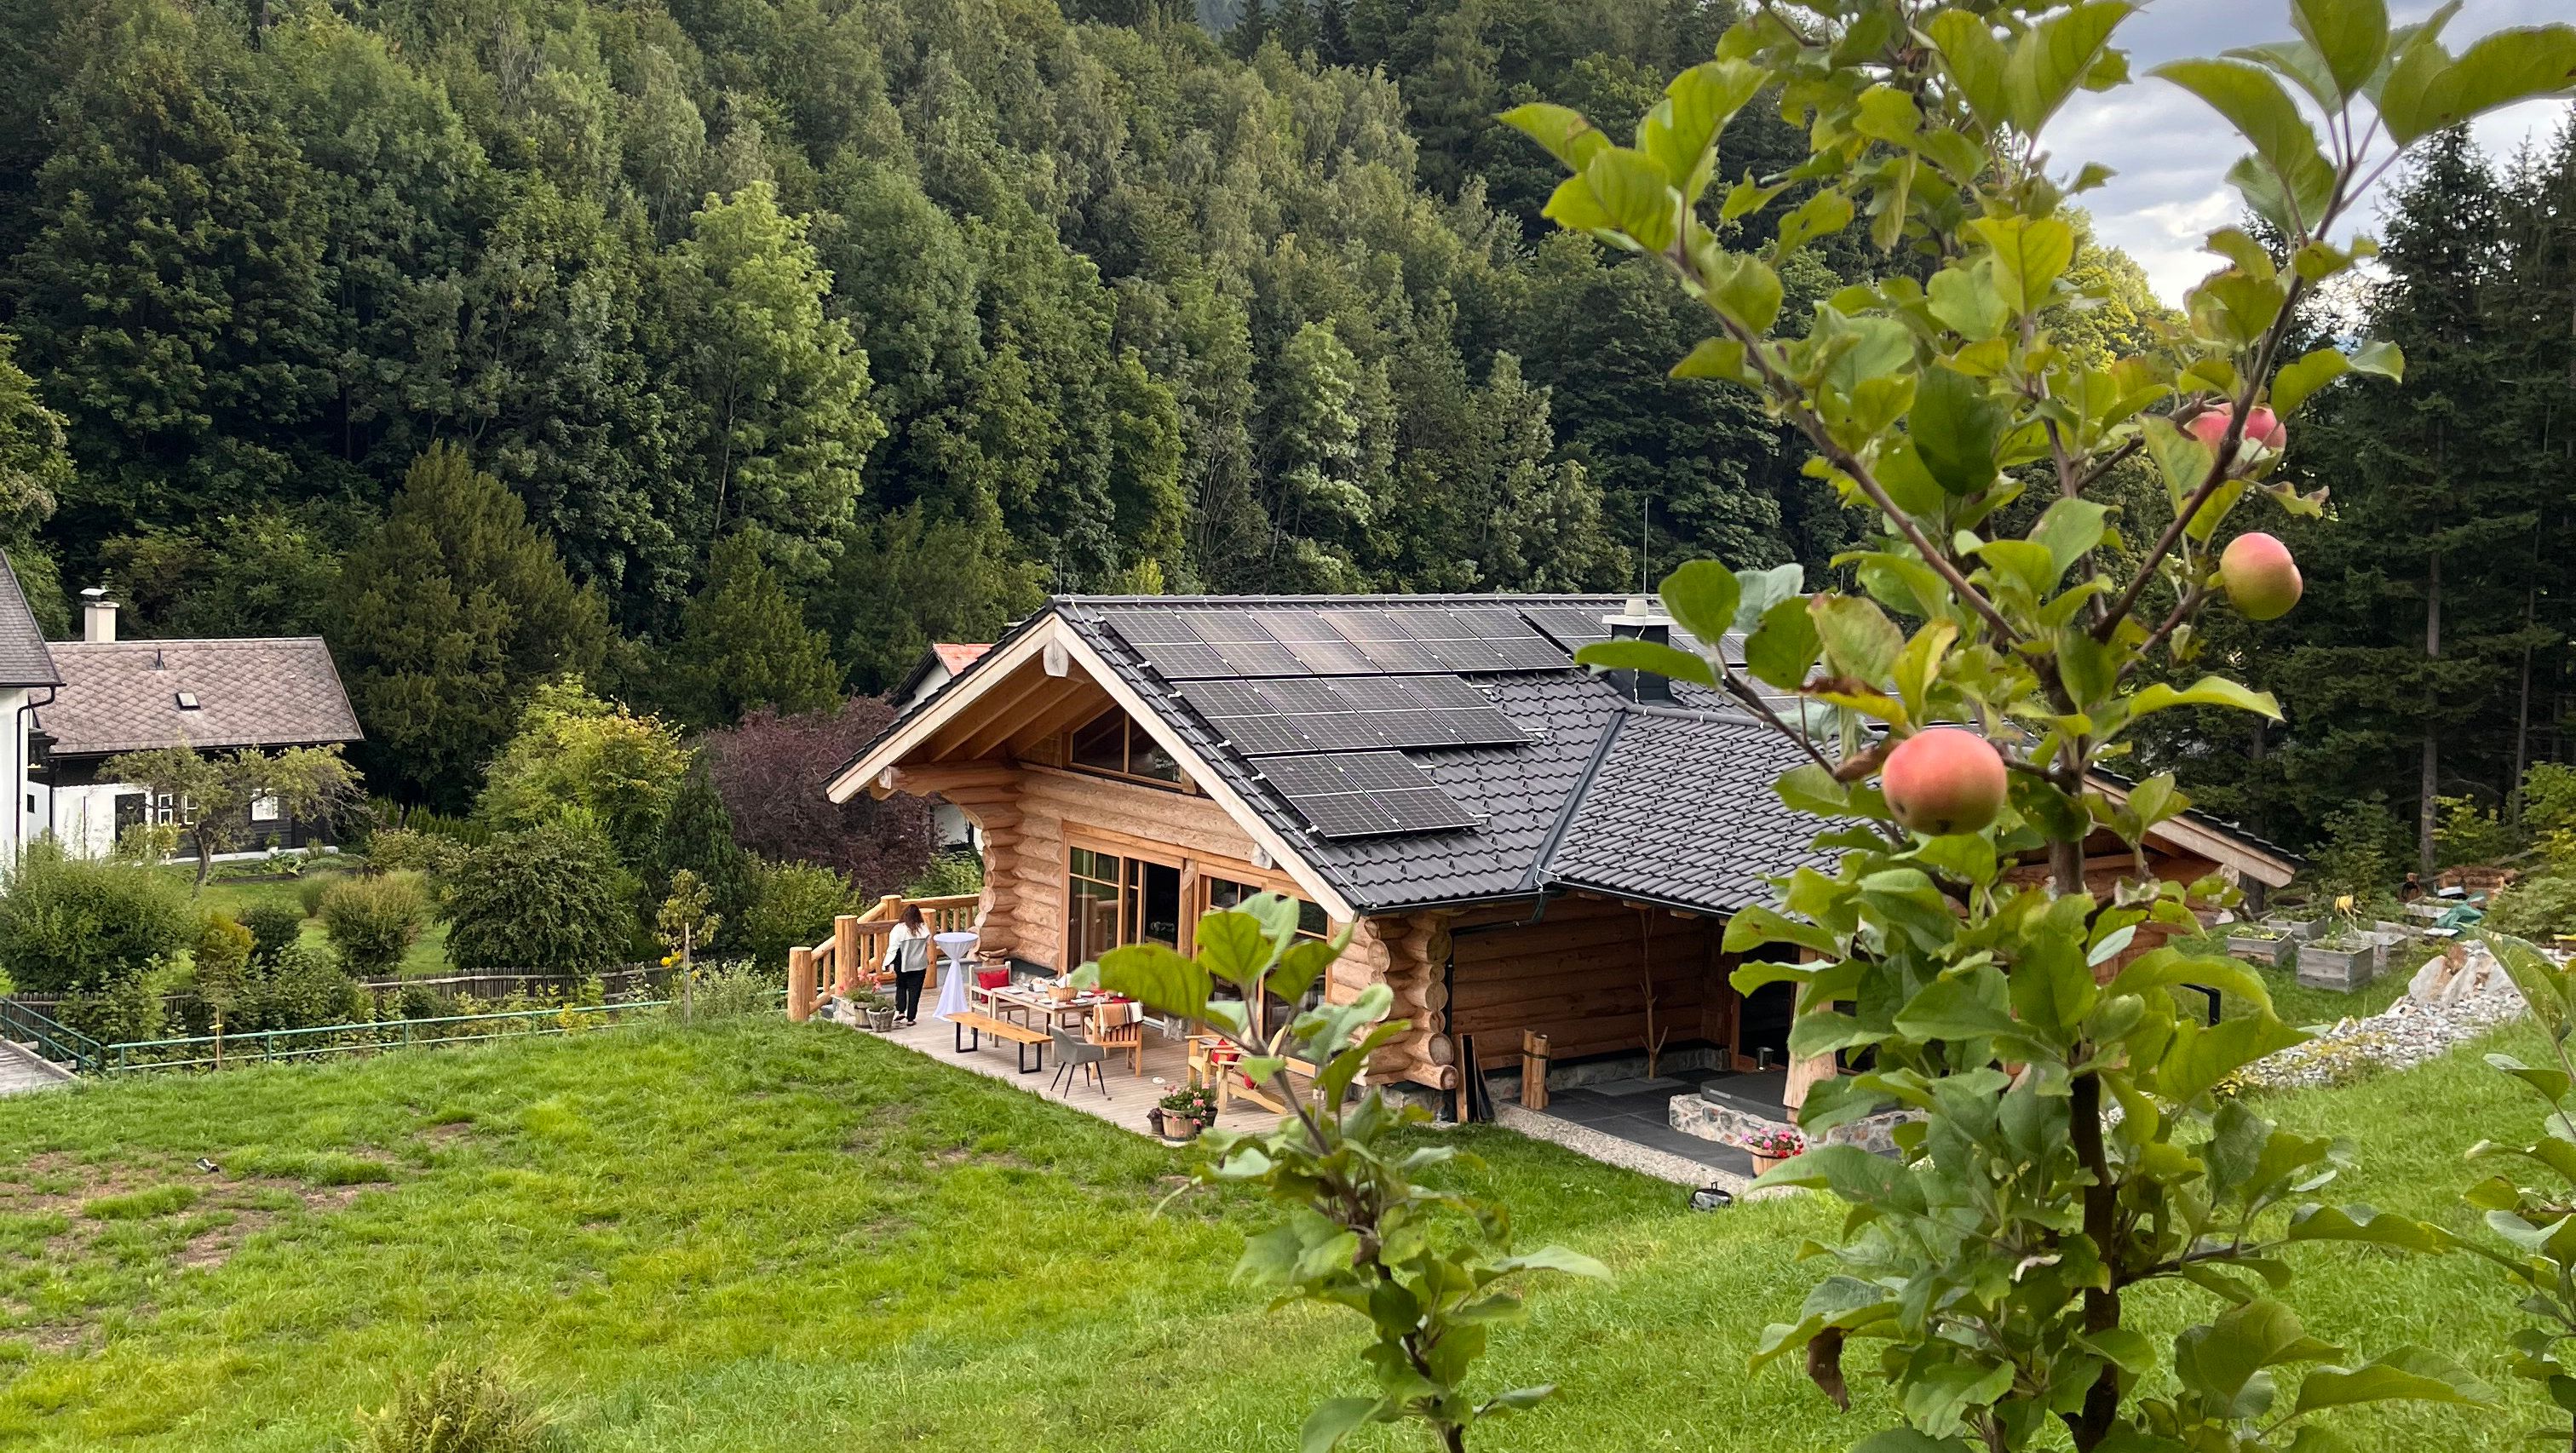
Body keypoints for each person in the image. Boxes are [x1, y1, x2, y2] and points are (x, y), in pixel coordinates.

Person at [884, 905, 931, 1025]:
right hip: (919, 964)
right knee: (915, 990)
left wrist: (887, 963)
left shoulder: (898, 929)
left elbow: (893, 948)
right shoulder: (923, 928)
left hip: (902, 963)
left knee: (901, 986)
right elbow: (928, 943)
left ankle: (900, 1011)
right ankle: (911, 1018)